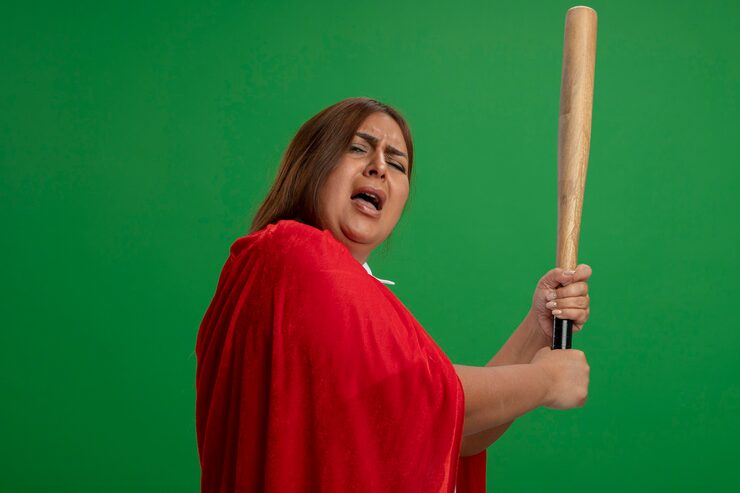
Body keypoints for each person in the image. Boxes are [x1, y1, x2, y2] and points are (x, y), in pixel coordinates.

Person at [195, 98, 592, 492]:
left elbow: (454, 431)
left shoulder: (358, 296)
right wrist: (544, 380)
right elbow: (422, 396)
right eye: (358, 148)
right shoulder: (290, 253)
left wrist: (537, 327)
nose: (379, 167)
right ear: (310, 165)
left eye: (397, 164)